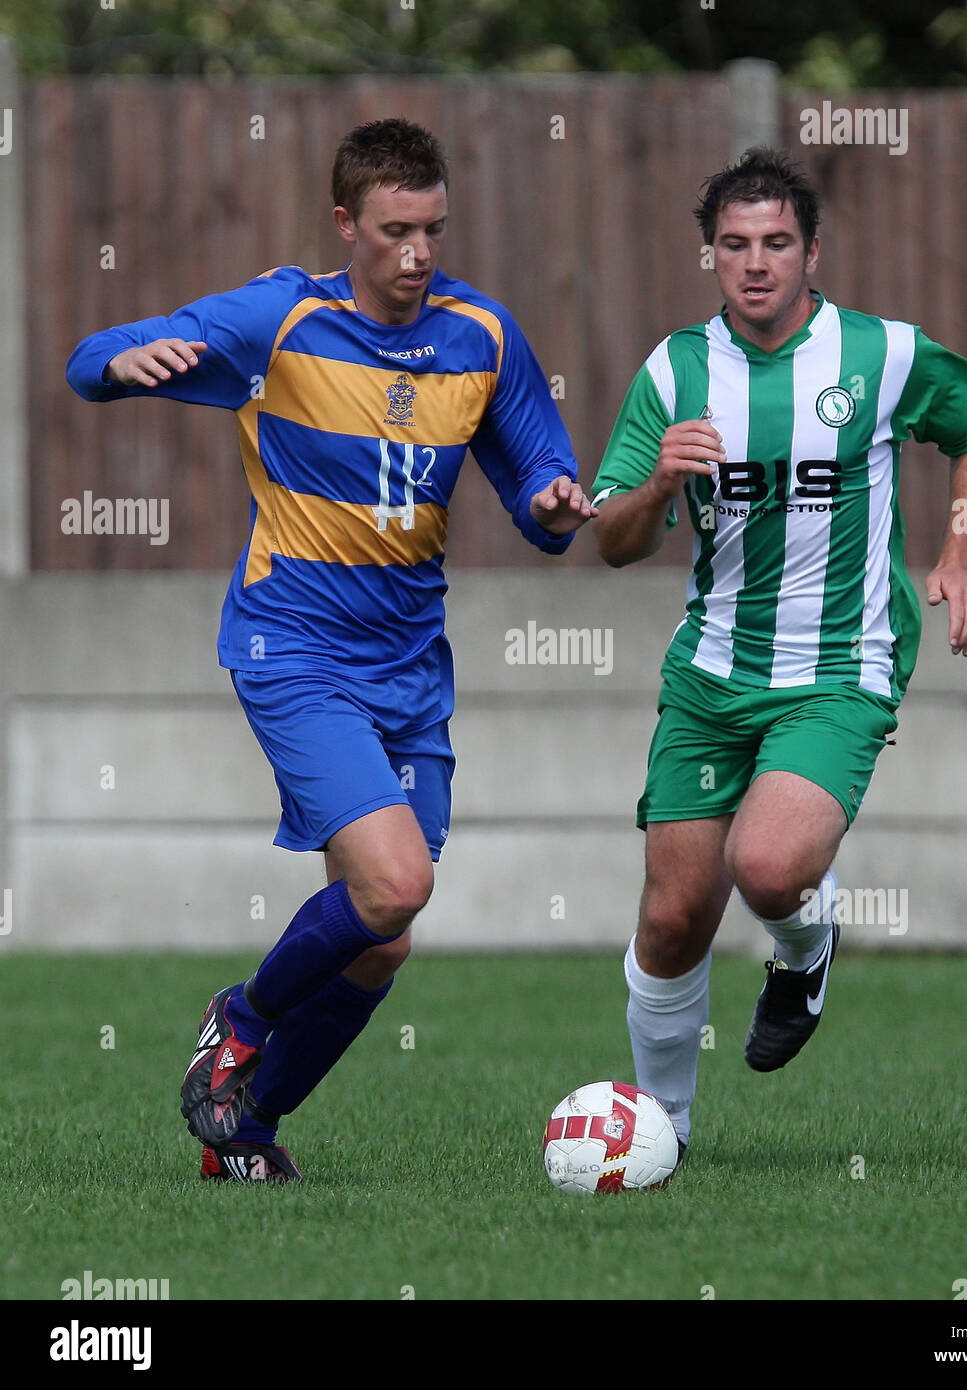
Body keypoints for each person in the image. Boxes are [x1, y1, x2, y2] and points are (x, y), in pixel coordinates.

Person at [67, 117, 595, 1182]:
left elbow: (540, 482)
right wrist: (122, 363)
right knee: (396, 885)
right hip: (293, 645)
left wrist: (554, 501)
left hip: (410, 667)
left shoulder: (481, 337)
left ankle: (245, 1130)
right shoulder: (283, 315)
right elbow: (86, 364)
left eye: (434, 230)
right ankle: (241, 1019)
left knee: (382, 935)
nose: (418, 254)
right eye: (396, 230)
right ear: (347, 223)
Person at [590, 147, 967, 1152]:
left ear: (812, 250)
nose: (756, 262)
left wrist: (959, 555)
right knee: (673, 916)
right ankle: (664, 1135)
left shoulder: (878, 355)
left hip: (839, 665)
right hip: (712, 674)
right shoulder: (673, 371)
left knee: (768, 865)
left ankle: (803, 947)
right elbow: (610, 541)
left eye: (777, 242)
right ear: (712, 258)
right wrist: (654, 485)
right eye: (735, 245)